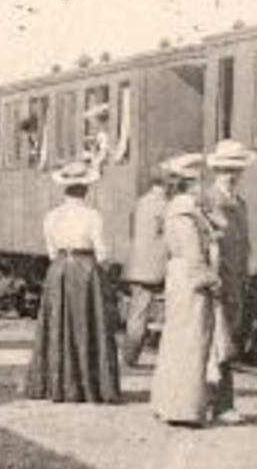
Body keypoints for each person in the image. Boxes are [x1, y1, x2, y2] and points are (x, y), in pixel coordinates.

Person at [24, 158, 122, 403]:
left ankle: (56, 386)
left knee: (58, 325)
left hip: (58, 271)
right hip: (86, 270)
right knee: (88, 326)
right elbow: (102, 252)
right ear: (86, 189)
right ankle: (89, 387)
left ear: (64, 188)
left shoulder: (51, 216)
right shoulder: (93, 216)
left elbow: (50, 251)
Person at [150, 154, 219, 426]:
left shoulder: (177, 210)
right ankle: (185, 409)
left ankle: (167, 403)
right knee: (192, 340)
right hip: (190, 280)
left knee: (177, 339)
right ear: (193, 182)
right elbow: (193, 253)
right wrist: (212, 279)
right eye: (201, 180)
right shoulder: (185, 214)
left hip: (179, 277)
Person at [202, 139, 257, 425]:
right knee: (217, 342)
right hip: (217, 280)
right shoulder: (209, 200)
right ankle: (219, 405)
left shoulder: (240, 203)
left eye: (237, 169)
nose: (232, 174)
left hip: (235, 280)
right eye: (227, 169)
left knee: (226, 341)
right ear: (217, 170)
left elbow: (243, 242)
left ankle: (216, 403)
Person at [122, 168, 172, 368]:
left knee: (137, 315)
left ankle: (129, 357)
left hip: (138, 266)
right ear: (166, 184)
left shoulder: (141, 203)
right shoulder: (167, 206)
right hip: (160, 267)